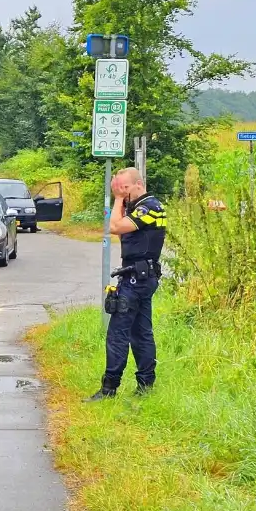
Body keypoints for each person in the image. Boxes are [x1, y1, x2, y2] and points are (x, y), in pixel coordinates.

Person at [87, 167, 165, 401]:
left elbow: (115, 228)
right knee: (141, 332)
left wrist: (118, 199)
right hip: (140, 276)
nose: (122, 194)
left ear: (138, 185)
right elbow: (122, 233)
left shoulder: (149, 207)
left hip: (136, 280)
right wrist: (122, 200)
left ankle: (109, 388)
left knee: (118, 334)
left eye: (125, 189)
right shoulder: (140, 208)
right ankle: (145, 385)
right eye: (119, 190)